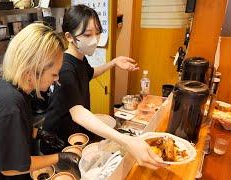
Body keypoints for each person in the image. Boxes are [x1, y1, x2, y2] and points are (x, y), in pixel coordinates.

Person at [42, 4, 166, 170]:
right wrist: (127, 141)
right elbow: (78, 112)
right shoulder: (65, 68)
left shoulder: (79, 57)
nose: (94, 39)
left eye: (97, 33)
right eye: (87, 34)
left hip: (75, 134)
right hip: (59, 140)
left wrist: (113, 63)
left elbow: (90, 73)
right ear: (69, 36)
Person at [0, 23, 79, 180]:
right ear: (31, 71)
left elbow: (8, 132)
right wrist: (60, 157)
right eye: (54, 74)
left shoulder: (9, 87)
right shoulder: (10, 104)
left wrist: (39, 133)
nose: (57, 80)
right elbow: (11, 167)